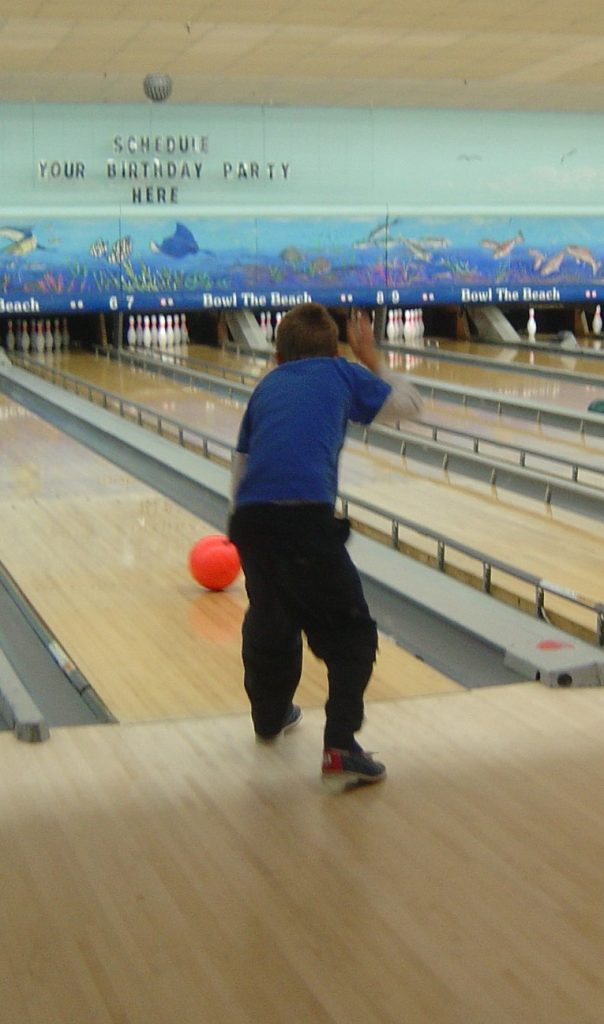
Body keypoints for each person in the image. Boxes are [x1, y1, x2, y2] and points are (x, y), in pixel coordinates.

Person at [228, 302, 423, 790]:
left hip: (250, 520)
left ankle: (270, 719)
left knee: (271, 621)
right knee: (353, 635)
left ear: (276, 358)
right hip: (306, 521)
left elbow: (241, 465)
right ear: (337, 349)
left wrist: (250, 534)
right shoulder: (341, 372)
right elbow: (410, 407)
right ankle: (341, 746)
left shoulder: (265, 387)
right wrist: (371, 359)